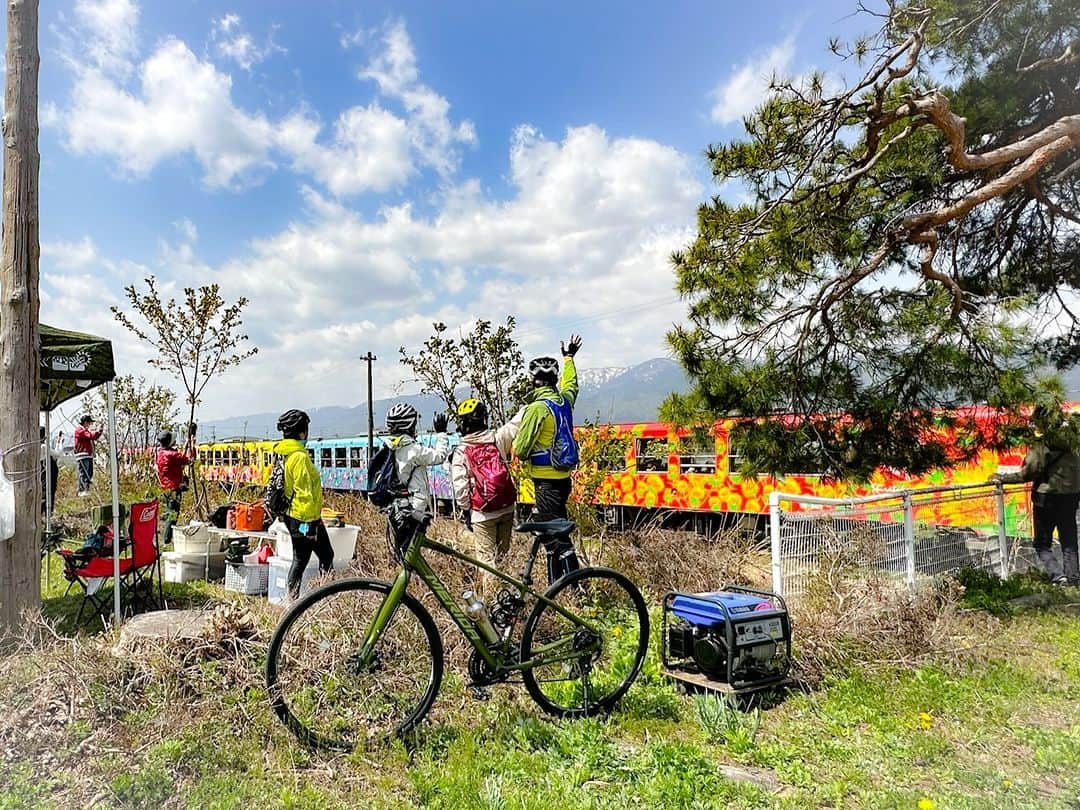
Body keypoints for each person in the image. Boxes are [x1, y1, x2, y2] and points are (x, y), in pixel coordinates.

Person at [512, 334, 582, 581]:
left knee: (559, 539)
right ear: (553, 381)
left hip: (544, 483)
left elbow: (520, 449)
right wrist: (569, 358)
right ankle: (555, 587)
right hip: (564, 479)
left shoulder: (536, 409)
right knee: (553, 536)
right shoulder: (564, 402)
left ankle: (576, 590)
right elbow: (571, 385)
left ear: (534, 382)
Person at [990, 406, 1080, 586]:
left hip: (1045, 498)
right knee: (1069, 540)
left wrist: (1001, 478)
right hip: (1071, 496)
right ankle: (1074, 579)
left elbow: (1028, 473)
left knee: (1041, 543)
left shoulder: (1043, 445)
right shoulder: (1074, 442)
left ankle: (1057, 575)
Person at [451, 399, 520, 592]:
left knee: (487, 562)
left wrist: (466, 511)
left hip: (482, 514)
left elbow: (460, 489)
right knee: (502, 558)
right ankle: (506, 596)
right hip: (506, 508)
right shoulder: (497, 439)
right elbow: (516, 424)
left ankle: (493, 604)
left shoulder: (461, 451)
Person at [273, 409, 334, 598]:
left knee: (302, 559)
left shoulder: (285, 454)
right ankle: (319, 598)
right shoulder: (299, 457)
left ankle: (295, 602)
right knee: (317, 557)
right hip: (305, 517)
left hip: (294, 515)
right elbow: (304, 492)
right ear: (302, 432)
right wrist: (312, 524)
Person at [385, 403, 450, 521]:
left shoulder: (388, 447)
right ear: (410, 425)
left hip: (398, 505)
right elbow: (439, 456)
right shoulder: (414, 450)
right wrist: (441, 433)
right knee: (415, 538)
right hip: (415, 506)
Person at [154, 430, 193, 545]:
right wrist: (188, 446)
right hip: (174, 488)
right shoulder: (172, 455)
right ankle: (167, 538)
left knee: (170, 512)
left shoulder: (161, 453)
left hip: (165, 488)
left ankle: (168, 536)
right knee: (173, 514)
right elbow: (187, 460)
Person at [73, 415, 103, 497]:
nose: (90, 425)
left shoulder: (84, 430)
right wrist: (98, 431)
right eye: (89, 423)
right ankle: (82, 490)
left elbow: (93, 436)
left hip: (88, 455)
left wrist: (99, 432)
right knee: (84, 473)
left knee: (89, 473)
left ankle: (86, 489)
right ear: (85, 422)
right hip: (82, 455)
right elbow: (91, 436)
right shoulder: (80, 430)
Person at [40, 427, 58, 515]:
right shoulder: (44, 447)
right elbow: (57, 454)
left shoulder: (35, 447)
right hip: (47, 470)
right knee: (48, 490)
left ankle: (42, 510)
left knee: (43, 490)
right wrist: (59, 443)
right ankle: (47, 511)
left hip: (40, 470)